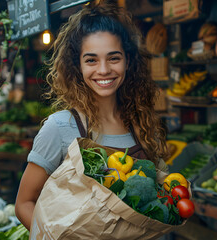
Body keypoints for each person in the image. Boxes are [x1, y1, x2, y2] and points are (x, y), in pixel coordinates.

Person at [15, 2, 169, 230]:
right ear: (77, 65)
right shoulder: (60, 127)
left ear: (128, 61)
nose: (104, 69)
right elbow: (24, 203)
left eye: (114, 58)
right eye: (91, 60)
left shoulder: (143, 123)